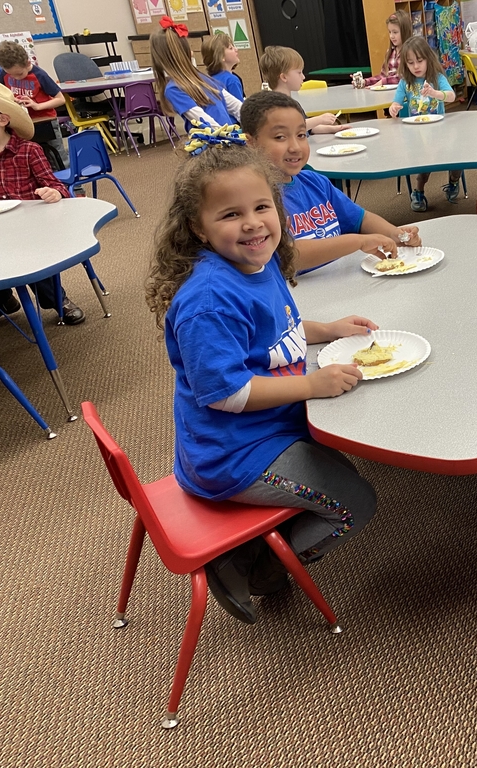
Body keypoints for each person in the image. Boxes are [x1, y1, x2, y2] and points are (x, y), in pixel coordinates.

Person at [144, 142, 378, 624]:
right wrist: (311, 386)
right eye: (231, 214)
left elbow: (274, 331)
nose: (252, 224)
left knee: (344, 463)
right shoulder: (208, 302)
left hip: (270, 430)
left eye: (262, 207)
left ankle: (257, 547)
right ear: (198, 228)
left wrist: (327, 329)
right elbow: (227, 393)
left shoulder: (258, 259)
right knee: (356, 503)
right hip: (232, 455)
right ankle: (255, 564)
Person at [240, 90, 421, 272]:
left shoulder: (315, 182)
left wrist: (395, 234)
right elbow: (289, 255)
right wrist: (358, 242)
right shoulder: (255, 200)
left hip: (338, 278)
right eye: (280, 137)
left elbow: (360, 218)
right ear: (251, 143)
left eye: (301, 135)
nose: (295, 147)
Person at [0, 76, 85, 326]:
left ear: (2, 119)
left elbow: (57, 185)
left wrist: (54, 193)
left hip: (32, 229)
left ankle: (58, 300)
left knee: (34, 263)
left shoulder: (29, 150)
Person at [388, 36, 463, 212]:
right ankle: (418, 191)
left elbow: (451, 96)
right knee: (425, 164)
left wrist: (435, 93)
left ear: (428, 59)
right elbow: (395, 103)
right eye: (411, 63)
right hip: (418, 136)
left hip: (441, 132)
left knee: (458, 156)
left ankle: (454, 181)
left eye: (420, 61)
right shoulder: (405, 83)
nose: (416, 66)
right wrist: (394, 108)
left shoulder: (437, 78)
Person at [150, 16, 241, 128]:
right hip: (218, 137)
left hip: (226, 136)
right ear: (187, 52)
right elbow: (205, 122)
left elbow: (236, 107)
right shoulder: (174, 89)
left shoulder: (203, 79)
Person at [0, 40, 68, 169]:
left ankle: (68, 181)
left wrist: (37, 106)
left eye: (19, 74)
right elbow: (2, 94)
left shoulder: (39, 75)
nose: (16, 78)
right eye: (11, 75)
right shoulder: (5, 74)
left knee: (57, 158)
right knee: (33, 158)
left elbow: (60, 99)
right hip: (22, 124)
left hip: (46, 121)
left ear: (28, 63)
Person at [258, 46, 347, 135]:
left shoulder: (293, 103)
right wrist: (320, 119)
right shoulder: (275, 106)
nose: (303, 77)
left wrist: (334, 129)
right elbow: (293, 128)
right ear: (284, 77)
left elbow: (308, 127)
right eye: (299, 72)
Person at [360, 11, 412, 87]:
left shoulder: (410, 52)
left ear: (405, 31)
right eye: (390, 32)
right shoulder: (390, 52)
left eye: (395, 32)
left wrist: (383, 82)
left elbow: (404, 77)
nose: (391, 36)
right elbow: (383, 76)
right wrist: (365, 81)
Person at [201, 33, 244, 101]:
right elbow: (239, 106)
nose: (236, 49)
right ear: (221, 56)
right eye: (231, 48)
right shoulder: (232, 80)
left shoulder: (208, 81)